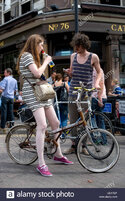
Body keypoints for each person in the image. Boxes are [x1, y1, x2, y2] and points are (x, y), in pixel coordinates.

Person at [16, 34, 73, 177]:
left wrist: (45, 61)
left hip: (42, 92)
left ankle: (58, 153)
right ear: (34, 44)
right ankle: (41, 163)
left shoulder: (35, 57)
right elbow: (36, 73)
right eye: (40, 44)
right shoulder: (27, 55)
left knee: (55, 122)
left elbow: (40, 75)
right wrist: (46, 61)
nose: (42, 47)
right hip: (33, 92)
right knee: (42, 125)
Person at [64, 33, 102, 154]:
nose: (76, 48)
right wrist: (69, 73)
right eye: (75, 46)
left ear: (84, 45)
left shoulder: (93, 57)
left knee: (85, 120)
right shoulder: (73, 56)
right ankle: (74, 145)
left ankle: (84, 146)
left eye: (78, 46)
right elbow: (72, 72)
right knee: (73, 120)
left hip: (85, 93)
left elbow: (99, 72)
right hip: (73, 91)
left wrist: (96, 84)